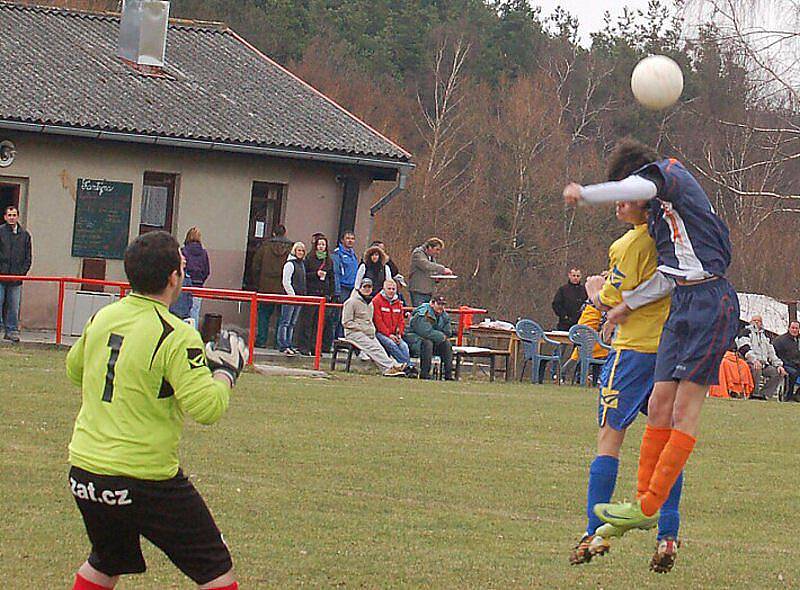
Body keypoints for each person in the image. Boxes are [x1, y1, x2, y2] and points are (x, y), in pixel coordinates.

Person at [564, 138, 739, 554]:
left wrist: (585, 194)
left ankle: (649, 507)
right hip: (681, 303)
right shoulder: (659, 219)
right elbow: (666, 274)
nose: (621, 204)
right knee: (660, 405)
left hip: (710, 300)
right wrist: (629, 304)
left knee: (683, 410)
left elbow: (639, 189)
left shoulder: (670, 177)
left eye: (623, 193)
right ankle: (645, 506)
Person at [65, 230, 248, 590]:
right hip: (143, 477)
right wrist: (226, 371)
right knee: (216, 569)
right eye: (182, 266)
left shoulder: (104, 316)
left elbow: (75, 369)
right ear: (172, 278)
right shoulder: (176, 334)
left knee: (106, 562)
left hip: (86, 470)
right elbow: (207, 408)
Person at [569, 198, 681, 573]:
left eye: (627, 198)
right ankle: (668, 534)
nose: (618, 203)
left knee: (610, 437)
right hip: (668, 350)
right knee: (665, 443)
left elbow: (610, 301)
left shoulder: (628, 245)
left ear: (646, 206)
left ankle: (593, 532)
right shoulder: (671, 242)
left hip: (632, 352)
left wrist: (594, 290)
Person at [340, 277, 406, 376]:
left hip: (369, 333)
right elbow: (346, 322)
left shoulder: (370, 303)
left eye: (369, 287)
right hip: (353, 333)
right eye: (365, 287)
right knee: (373, 348)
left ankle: (394, 365)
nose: (367, 289)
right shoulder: (351, 302)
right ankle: (389, 367)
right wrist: (362, 328)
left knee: (379, 348)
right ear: (360, 288)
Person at [252, 225, 292, 348]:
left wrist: (256, 283)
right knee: (282, 317)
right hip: (283, 288)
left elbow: (255, 266)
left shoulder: (265, 247)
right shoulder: (291, 248)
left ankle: (261, 341)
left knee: (263, 315)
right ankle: (278, 343)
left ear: (274, 233)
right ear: (285, 233)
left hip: (265, 286)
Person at [295, 234, 335, 355]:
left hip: (323, 294)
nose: (321, 247)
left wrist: (331, 293)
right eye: (319, 244)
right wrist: (316, 274)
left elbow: (332, 277)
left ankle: (315, 347)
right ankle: (304, 346)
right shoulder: (309, 259)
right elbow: (304, 275)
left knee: (319, 323)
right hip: (311, 292)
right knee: (307, 322)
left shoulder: (328, 260)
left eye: (323, 244)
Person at [0, 205, 32, 342]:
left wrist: (21, 273)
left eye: (14, 215)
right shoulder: (0, 232)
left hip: (16, 278)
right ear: (5, 217)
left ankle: (11, 330)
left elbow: (28, 257)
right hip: (1, 276)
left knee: (14, 305)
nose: (12, 218)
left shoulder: (25, 235)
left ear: (18, 216)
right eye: (9, 215)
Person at [736, 315, 787, 400]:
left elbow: (771, 353)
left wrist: (779, 365)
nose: (756, 322)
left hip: (764, 364)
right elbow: (744, 347)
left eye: (758, 321)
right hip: (749, 361)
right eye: (754, 320)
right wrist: (754, 360)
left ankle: (764, 395)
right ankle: (754, 394)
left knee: (777, 372)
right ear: (750, 322)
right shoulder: (745, 332)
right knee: (757, 369)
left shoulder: (765, 336)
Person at [405, 295, 454, 380]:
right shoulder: (423, 313)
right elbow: (425, 332)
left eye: (443, 305)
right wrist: (441, 336)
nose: (441, 307)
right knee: (428, 343)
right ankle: (425, 374)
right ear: (432, 303)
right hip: (415, 341)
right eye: (439, 304)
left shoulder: (444, 315)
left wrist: (442, 336)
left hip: (432, 341)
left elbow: (448, 331)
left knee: (446, 344)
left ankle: (448, 375)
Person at [372, 279, 413, 370]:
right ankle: (408, 366)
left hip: (395, 334)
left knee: (404, 346)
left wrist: (399, 334)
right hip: (380, 333)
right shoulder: (377, 301)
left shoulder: (398, 302)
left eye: (393, 289)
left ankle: (405, 367)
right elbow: (378, 321)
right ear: (384, 289)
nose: (391, 291)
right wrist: (389, 334)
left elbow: (401, 320)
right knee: (392, 344)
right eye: (389, 288)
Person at [277, 242, 307, 356]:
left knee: (292, 323)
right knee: (285, 321)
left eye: (302, 251)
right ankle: (283, 345)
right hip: (291, 297)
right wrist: (292, 295)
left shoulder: (302, 264)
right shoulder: (290, 264)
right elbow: (286, 281)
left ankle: (289, 344)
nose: (300, 253)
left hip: (299, 297)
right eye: (298, 250)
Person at [408, 238, 453, 307]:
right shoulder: (418, 254)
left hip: (429, 292)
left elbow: (431, 271)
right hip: (419, 291)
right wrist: (443, 269)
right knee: (420, 313)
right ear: (429, 247)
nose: (438, 252)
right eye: (437, 249)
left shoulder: (431, 257)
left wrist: (437, 278)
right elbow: (426, 265)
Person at [332, 230, 359, 338]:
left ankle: (343, 338)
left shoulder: (353, 255)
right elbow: (336, 273)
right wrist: (337, 290)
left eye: (352, 238)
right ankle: (333, 339)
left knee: (348, 316)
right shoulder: (337, 254)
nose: (350, 241)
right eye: (348, 238)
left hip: (352, 289)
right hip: (342, 288)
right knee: (337, 316)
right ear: (342, 240)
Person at [182, 227, 210, 327]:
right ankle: (193, 336)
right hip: (198, 286)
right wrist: (201, 280)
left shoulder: (183, 251)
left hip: (185, 286)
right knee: (195, 312)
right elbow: (207, 271)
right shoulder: (204, 253)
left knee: (183, 311)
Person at [772, 320, 800, 402]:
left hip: (797, 364)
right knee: (793, 373)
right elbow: (775, 354)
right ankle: (788, 396)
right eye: (793, 328)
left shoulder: (798, 340)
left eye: (796, 328)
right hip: (785, 364)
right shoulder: (780, 340)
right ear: (789, 328)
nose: (794, 330)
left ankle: (798, 394)